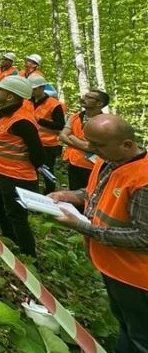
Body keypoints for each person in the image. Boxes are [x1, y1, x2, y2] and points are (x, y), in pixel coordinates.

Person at [49, 115, 148, 353]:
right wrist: (71, 196)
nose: (89, 149)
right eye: (89, 142)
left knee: (140, 338)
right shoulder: (108, 161)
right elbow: (93, 193)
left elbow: (144, 237)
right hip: (114, 268)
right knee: (125, 325)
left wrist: (82, 227)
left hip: (137, 278)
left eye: (97, 145)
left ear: (126, 144)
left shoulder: (143, 180)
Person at [0, 75, 46, 257]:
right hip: (0, 172)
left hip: (16, 177)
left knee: (17, 217)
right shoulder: (2, 111)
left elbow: (38, 155)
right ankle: (9, 238)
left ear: (10, 96)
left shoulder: (22, 122)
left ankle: (28, 257)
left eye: (0, 89)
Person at [60, 89, 109, 190]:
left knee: (90, 196)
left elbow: (91, 147)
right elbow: (62, 136)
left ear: (100, 103)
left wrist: (72, 137)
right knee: (74, 195)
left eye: (89, 97)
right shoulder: (75, 117)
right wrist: (82, 144)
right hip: (74, 164)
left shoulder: (105, 122)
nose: (83, 99)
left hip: (93, 167)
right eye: (84, 96)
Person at [26, 75, 65, 194]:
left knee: (47, 170)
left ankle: (50, 194)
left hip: (48, 144)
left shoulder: (54, 104)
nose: (32, 91)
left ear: (42, 88)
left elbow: (60, 125)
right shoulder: (27, 102)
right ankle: (33, 193)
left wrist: (40, 120)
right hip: (30, 142)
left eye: (34, 89)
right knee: (31, 170)